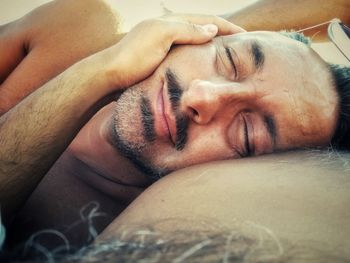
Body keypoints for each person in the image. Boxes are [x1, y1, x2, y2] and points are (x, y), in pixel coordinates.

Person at [0, 0, 349, 257]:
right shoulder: (77, 30)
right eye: (228, 61)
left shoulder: (124, 237)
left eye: (246, 131)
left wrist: (101, 72)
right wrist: (106, 62)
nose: (203, 96)